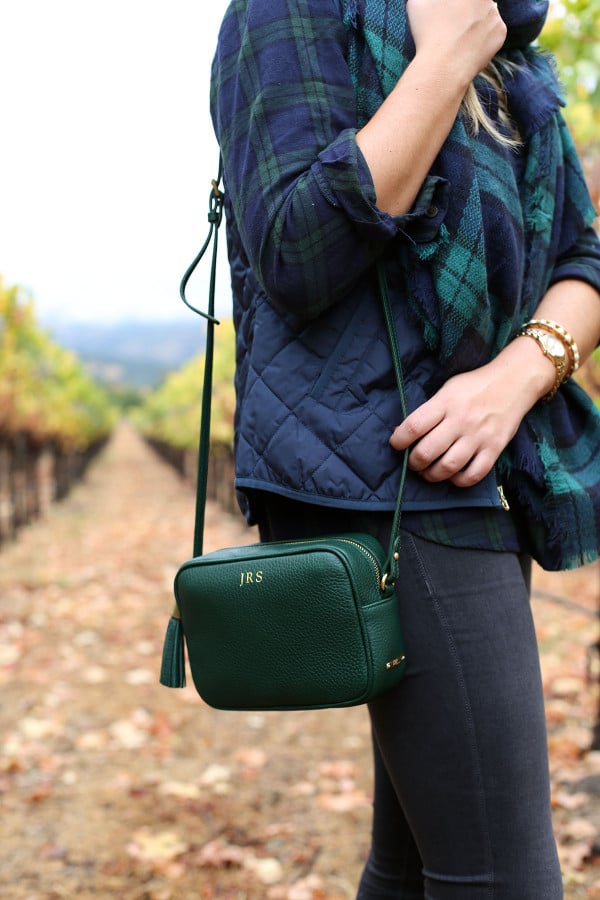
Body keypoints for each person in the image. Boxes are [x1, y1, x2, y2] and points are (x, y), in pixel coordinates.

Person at [210, 0, 600, 896]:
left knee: (420, 858)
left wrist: (518, 375)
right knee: (505, 877)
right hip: (380, 473)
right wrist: (445, 59)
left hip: (490, 463)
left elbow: (583, 257)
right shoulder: (291, 11)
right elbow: (295, 253)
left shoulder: (518, 50)